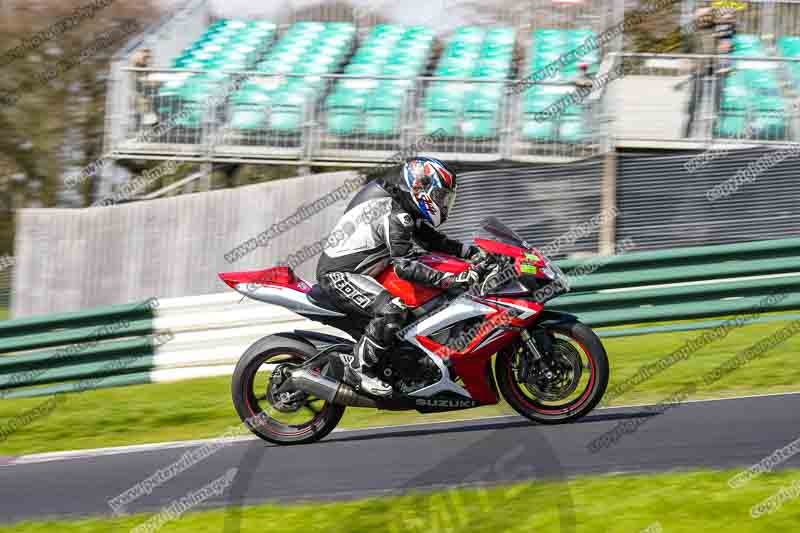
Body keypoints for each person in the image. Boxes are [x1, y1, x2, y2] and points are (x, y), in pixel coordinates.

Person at [316, 157, 485, 396]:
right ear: (420, 188)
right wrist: (451, 279)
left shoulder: (403, 206)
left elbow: (433, 241)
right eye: (439, 196)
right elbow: (405, 266)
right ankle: (358, 369)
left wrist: (474, 252)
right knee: (393, 310)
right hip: (341, 274)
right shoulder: (395, 212)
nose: (442, 203)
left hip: (365, 272)